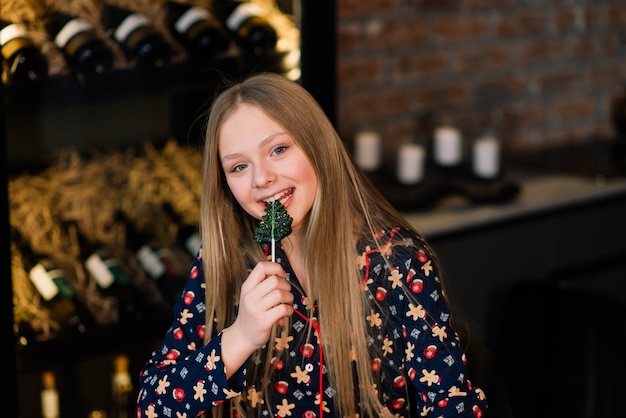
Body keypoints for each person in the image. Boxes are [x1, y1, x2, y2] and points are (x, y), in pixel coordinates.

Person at [136, 72, 488, 417]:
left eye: (278, 149)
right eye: (239, 166)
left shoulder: (396, 261)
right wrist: (240, 336)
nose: (262, 179)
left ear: (316, 146)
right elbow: (152, 407)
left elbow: (452, 401)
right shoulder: (223, 263)